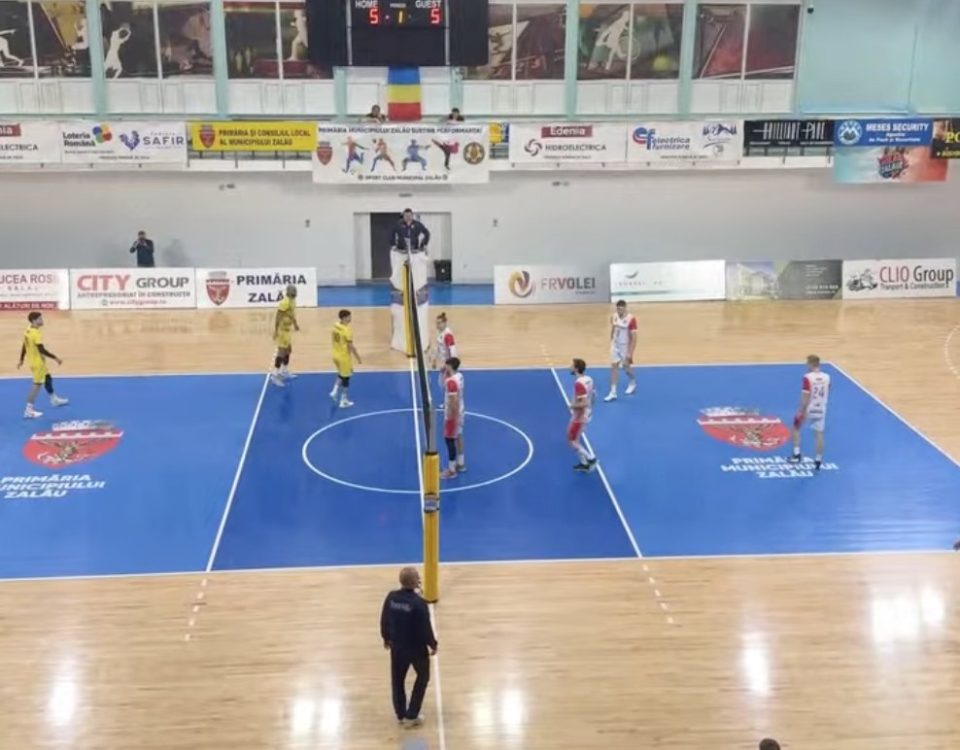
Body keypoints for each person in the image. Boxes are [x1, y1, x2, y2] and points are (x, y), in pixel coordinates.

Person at [380, 566, 437, 728]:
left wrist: (386, 637)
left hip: (397, 648)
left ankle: (400, 713)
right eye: (417, 577)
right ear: (413, 582)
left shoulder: (391, 597)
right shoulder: (419, 603)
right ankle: (412, 715)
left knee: (397, 680)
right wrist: (432, 644)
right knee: (423, 677)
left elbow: (384, 619)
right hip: (416, 649)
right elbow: (425, 628)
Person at [17, 312, 68, 418]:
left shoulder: (28, 330)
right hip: (37, 364)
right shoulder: (36, 333)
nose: (42, 320)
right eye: (40, 319)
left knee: (48, 378)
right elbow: (42, 350)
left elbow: (24, 345)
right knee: (36, 386)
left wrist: (21, 359)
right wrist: (55, 358)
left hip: (36, 362)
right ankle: (28, 410)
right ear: (34, 321)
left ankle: (54, 399)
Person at [789, 354, 830, 471]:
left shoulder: (808, 377)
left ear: (811, 364)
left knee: (795, 428)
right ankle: (818, 460)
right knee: (819, 434)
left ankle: (797, 455)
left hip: (809, 409)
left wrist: (801, 410)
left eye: (807, 363)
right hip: (821, 408)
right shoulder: (827, 377)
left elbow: (805, 396)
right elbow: (827, 390)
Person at [604, 300, 637, 402]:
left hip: (624, 347)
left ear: (625, 308)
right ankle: (613, 392)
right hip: (615, 346)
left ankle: (632, 381)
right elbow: (613, 328)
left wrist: (630, 352)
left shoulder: (631, 319)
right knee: (614, 367)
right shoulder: (614, 316)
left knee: (626, 368)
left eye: (621, 309)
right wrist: (612, 341)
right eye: (618, 309)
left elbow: (634, 338)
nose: (619, 311)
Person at [568, 358, 597, 472]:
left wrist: (572, 406)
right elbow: (593, 395)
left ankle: (590, 458)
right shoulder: (589, 379)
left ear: (576, 369)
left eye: (572, 365)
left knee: (571, 440)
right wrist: (590, 410)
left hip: (579, 416)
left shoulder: (578, 384)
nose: (570, 367)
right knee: (576, 439)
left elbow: (584, 403)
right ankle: (584, 463)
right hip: (586, 413)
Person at [330, 309, 362, 408]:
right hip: (344, 357)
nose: (350, 318)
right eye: (349, 317)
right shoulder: (347, 330)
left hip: (335, 355)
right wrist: (358, 357)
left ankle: (334, 391)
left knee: (341, 374)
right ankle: (343, 400)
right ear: (344, 318)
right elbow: (350, 346)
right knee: (346, 379)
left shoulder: (335, 326)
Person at [270, 284, 299, 387]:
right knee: (281, 352)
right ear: (289, 292)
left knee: (288, 350)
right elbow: (278, 316)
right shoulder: (284, 302)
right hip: (282, 331)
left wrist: (295, 324)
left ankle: (284, 370)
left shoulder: (292, 301)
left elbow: (291, 314)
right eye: (292, 292)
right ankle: (275, 375)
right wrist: (276, 330)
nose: (294, 294)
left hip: (287, 330)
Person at [441, 357, 465, 478]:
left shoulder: (451, 382)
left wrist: (452, 418)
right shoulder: (459, 376)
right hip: (461, 412)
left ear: (449, 366)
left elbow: (453, 401)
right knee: (459, 437)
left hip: (452, 415)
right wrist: (444, 373)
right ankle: (461, 464)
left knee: (449, 440)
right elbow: (443, 385)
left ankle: (451, 470)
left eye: (446, 364)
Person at [432, 313, 457, 390]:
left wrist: (449, 366)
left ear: (445, 323)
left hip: (448, 365)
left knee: (447, 385)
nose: (437, 325)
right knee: (443, 384)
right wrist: (434, 360)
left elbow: (452, 351)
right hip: (444, 364)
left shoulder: (448, 335)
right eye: (437, 323)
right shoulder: (440, 333)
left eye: (439, 323)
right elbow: (438, 347)